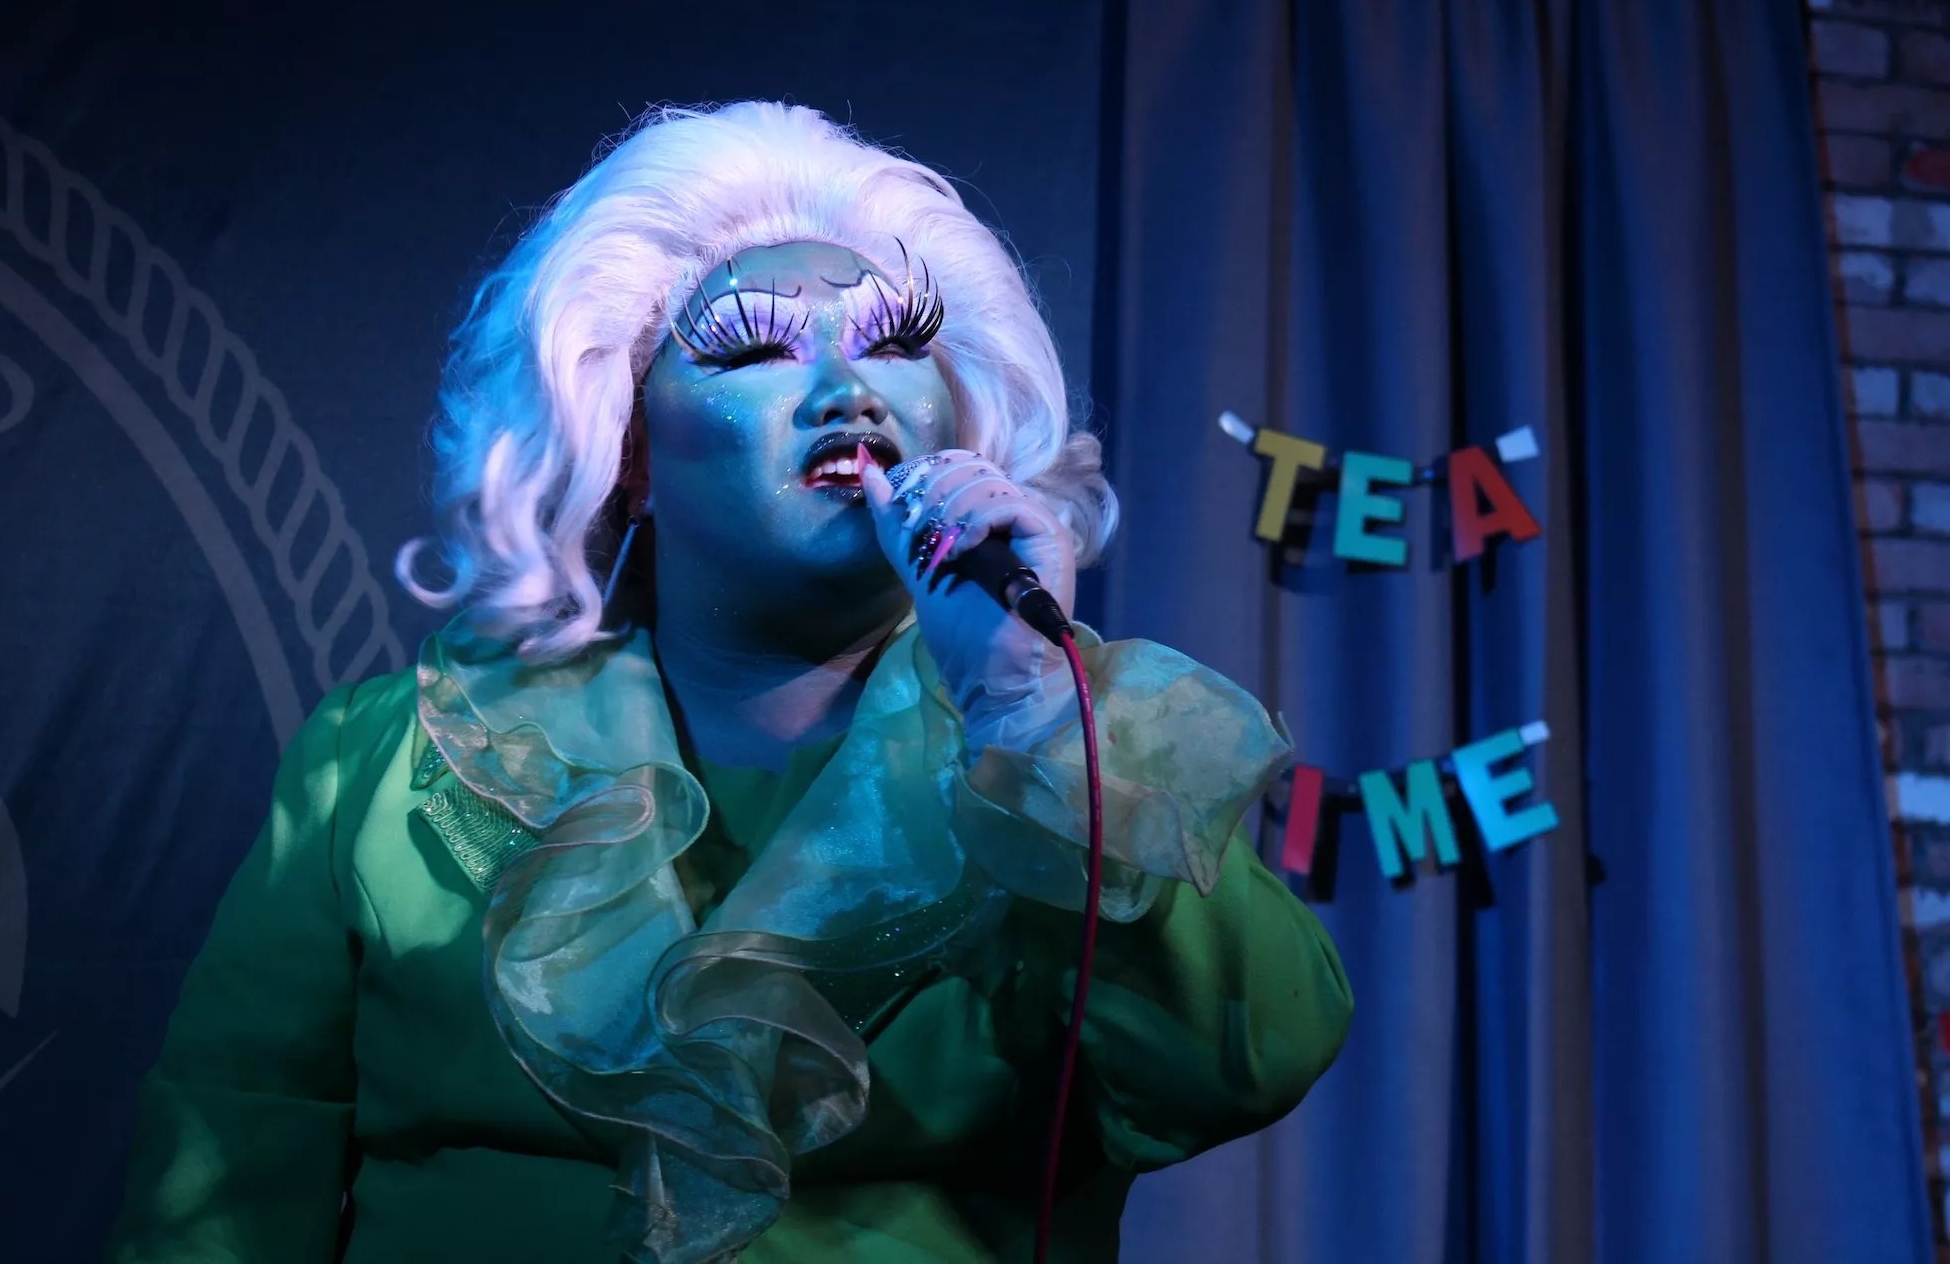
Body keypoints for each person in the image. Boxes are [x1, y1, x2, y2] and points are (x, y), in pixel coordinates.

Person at [107, 101, 1353, 1264]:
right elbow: (222, 1189)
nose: (847, 392)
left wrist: (1027, 713)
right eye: (755, 347)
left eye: (896, 341)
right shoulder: (381, 766)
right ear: (625, 448)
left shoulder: (1076, 731)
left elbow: (1253, 1059)